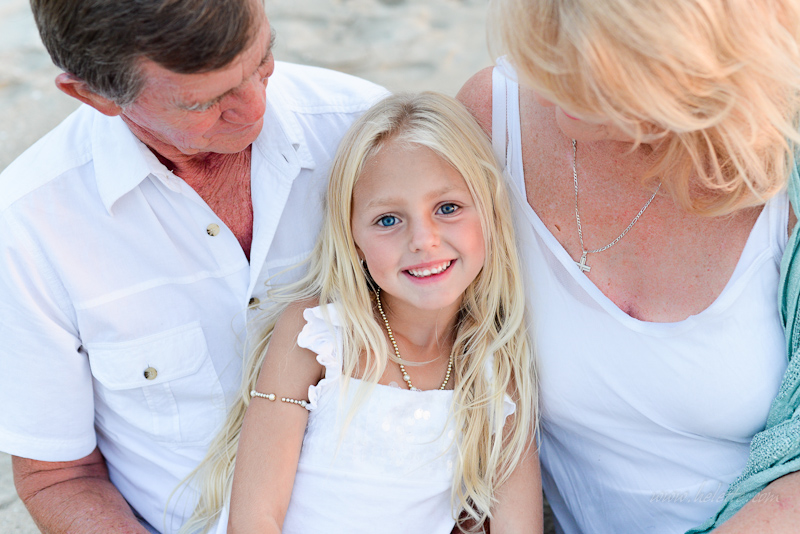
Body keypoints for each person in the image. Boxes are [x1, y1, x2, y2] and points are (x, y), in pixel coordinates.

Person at [0, 0, 388, 532]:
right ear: (93, 95)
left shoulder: (366, 130)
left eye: (262, 60)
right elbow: (58, 476)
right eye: (204, 102)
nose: (254, 107)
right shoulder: (29, 226)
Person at [456, 0, 800, 532]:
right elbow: (442, 362)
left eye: (589, 67)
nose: (546, 85)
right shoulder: (492, 118)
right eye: (547, 44)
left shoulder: (785, 168)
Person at [177, 92, 541, 534]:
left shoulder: (493, 368)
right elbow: (256, 518)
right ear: (353, 239)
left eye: (448, 208)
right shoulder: (318, 335)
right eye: (388, 219)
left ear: (491, 215)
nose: (423, 240)